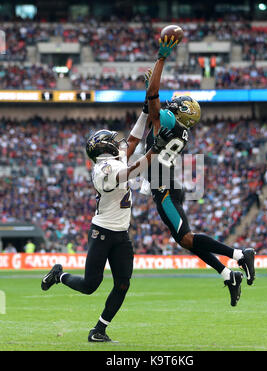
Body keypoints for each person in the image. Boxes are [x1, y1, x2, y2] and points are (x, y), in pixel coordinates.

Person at [130, 34, 256, 307]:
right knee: (185, 240)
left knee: (186, 237)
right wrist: (151, 86)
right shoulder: (179, 129)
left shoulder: (168, 120)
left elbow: (153, 101)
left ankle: (239, 254)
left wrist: (160, 60)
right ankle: (227, 275)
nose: (173, 102)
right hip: (167, 184)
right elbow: (151, 104)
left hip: (164, 188)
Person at [41, 123, 173, 343]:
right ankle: (59, 276)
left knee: (123, 284)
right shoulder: (103, 170)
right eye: (113, 141)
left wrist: (145, 114)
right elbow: (131, 171)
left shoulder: (113, 162)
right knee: (89, 285)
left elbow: (132, 140)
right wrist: (155, 150)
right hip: (102, 232)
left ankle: (99, 330)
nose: (118, 143)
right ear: (105, 147)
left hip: (121, 234)